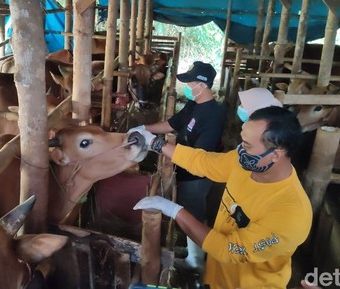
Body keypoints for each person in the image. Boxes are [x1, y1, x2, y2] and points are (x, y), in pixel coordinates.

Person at [133, 106, 312, 289]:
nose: (240, 150)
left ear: (276, 154)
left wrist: (175, 211)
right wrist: (156, 143)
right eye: (242, 142)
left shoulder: (291, 214)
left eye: (247, 146)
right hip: (216, 276)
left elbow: (228, 249)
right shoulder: (246, 163)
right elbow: (203, 162)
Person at [128, 60, 225, 272]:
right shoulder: (194, 104)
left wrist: (159, 146)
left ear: (203, 85)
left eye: (190, 83)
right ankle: (191, 249)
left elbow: (199, 158)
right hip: (182, 167)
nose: (188, 87)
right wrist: (145, 127)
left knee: (193, 212)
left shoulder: (212, 116)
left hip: (196, 176)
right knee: (188, 209)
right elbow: (172, 124)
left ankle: (197, 262)